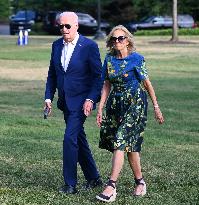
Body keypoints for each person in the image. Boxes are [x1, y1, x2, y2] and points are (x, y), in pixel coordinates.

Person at [95, 25, 164, 202]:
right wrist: (101, 106)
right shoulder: (109, 59)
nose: (117, 41)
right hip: (116, 105)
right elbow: (106, 84)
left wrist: (156, 107)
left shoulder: (137, 59)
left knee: (120, 141)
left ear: (128, 41)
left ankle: (111, 186)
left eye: (121, 38)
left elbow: (147, 84)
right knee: (130, 146)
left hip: (136, 104)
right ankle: (140, 182)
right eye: (114, 39)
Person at [44, 11, 103, 194]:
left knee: (69, 138)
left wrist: (91, 98)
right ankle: (94, 178)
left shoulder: (89, 46)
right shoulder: (56, 46)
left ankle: (70, 184)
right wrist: (48, 97)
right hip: (65, 102)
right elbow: (53, 74)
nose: (64, 29)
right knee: (78, 138)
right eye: (60, 26)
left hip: (82, 102)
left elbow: (98, 77)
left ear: (76, 26)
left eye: (67, 26)